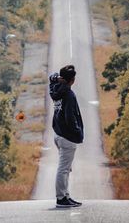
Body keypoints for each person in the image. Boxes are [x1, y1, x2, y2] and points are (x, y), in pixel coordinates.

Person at [49, 65, 84, 208]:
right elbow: (70, 117)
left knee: (66, 168)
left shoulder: (55, 88)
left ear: (61, 78)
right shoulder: (69, 94)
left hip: (58, 134)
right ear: (72, 80)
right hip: (67, 137)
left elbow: (51, 78)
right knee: (64, 169)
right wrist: (77, 132)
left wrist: (57, 78)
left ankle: (66, 195)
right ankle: (61, 198)